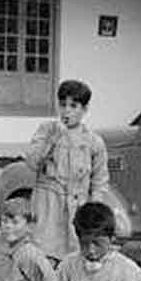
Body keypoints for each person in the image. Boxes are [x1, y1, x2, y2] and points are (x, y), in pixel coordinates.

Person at [23, 80, 111, 262]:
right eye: (63, 105)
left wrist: (92, 216)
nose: (67, 111)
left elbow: (99, 182)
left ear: (84, 109)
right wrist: (52, 139)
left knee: (75, 262)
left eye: (73, 106)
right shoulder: (46, 131)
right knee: (44, 261)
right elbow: (32, 162)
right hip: (48, 209)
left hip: (76, 212)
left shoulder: (94, 142)